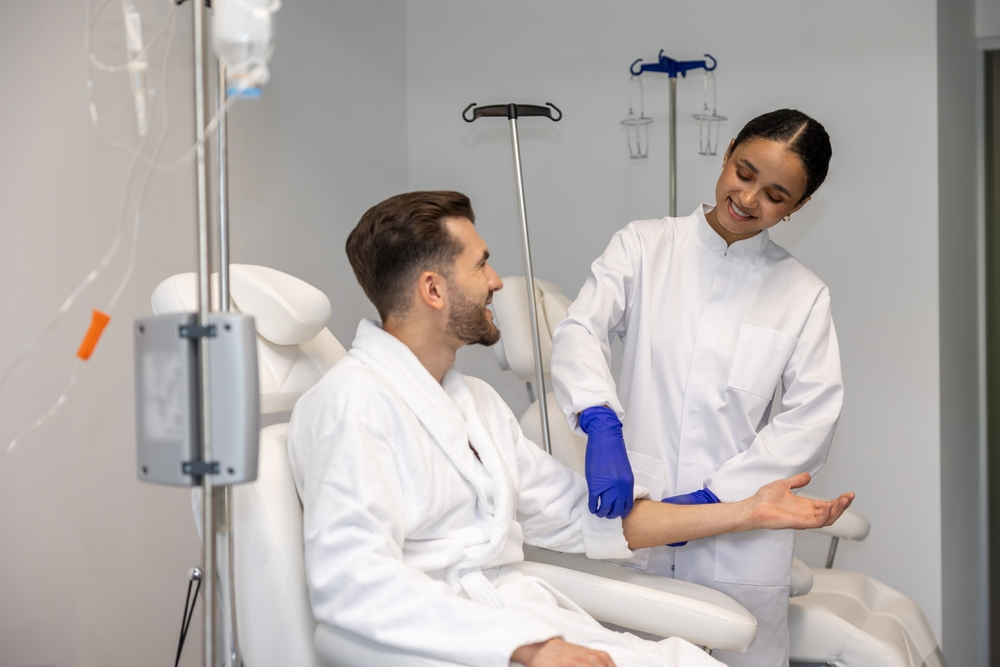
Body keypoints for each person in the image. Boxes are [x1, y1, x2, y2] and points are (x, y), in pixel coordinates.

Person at [288, 190, 853, 667]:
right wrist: (528, 647)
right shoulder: (351, 404)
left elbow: (579, 517)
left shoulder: (474, 403)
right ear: (434, 290)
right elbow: (353, 583)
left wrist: (746, 510)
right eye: (481, 265)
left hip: (512, 619)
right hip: (454, 642)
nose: (496, 282)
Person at [550, 109, 842, 667]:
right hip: (641, 514)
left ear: (799, 207)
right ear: (728, 152)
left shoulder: (803, 294)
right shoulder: (644, 246)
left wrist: (718, 498)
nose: (748, 198)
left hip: (739, 541)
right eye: (744, 172)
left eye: (776, 195)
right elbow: (580, 330)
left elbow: (813, 416)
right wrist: (599, 421)